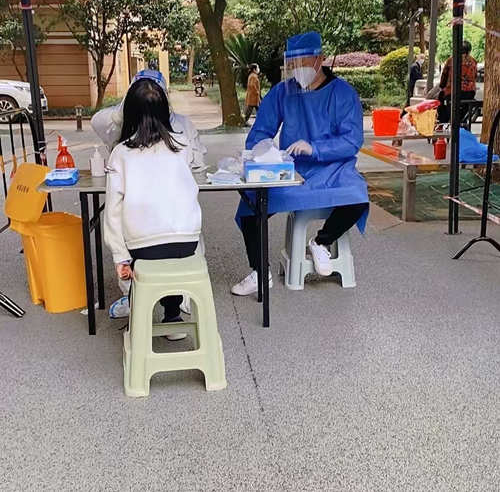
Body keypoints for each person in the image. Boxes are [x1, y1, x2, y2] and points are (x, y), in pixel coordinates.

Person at [231, 31, 369, 296]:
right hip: (292, 170)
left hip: (333, 168)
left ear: (320, 59)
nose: (297, 69)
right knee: (250, 206)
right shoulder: (283, 92)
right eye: (293, 63)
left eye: (303, 62)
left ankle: (322, 242)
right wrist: (265, 152)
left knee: (357, 196)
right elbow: (260, 132)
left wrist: (315, 148)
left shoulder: (343, 93)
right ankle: (260, 272)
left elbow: (352, 140)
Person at [91, 69, 207, 317]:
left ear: (128, 113)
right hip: (188, 241)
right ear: (166, 111)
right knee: (171, 257)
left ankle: (138, 311)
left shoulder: (121, 153)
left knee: (140, 255)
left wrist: (120, 256)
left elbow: (112, 213)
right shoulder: (182, 145)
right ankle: (173, 314)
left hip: (144, 247)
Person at [437, 40, 477, 123]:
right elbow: (475, 76)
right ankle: (462, 121)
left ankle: (444, 121)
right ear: (469, 50)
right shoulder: (473, 61)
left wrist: (442, 86)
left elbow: (444, 76)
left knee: (442, 99)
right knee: (464, 111)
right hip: (469, 93)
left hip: (453, 92)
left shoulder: (451, 60)